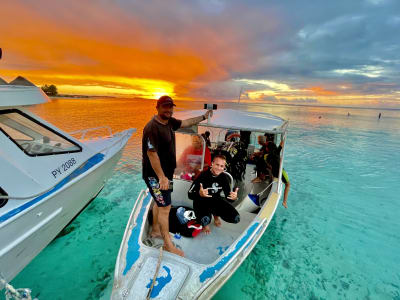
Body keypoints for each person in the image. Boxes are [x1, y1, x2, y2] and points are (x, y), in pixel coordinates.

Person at [142, 95, 213, 256]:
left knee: (159, 202)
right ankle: (168, 245)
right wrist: (161, 177)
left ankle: (155, 230)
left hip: (166, 175)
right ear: (157, 107)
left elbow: (186, 123)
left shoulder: (169, 122)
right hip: (156, 176)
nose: (169, 110)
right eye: (165, 107)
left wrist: (203, 116)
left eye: (171, 106)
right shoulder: (152, 128)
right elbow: (151, 154)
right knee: (166, 207)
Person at [188, 155, 240, 234]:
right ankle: (206, 223)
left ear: (224, 167)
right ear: (212, 164)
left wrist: (233, 198)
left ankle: (216, 215)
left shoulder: (223, 177)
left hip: (215, 201)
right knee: (205, 220)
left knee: (235, 218)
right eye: (217, 165)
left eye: (222, 166)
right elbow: (189, 194)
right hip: (201, 202)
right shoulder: (203, 175)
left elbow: (228, 197)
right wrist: (199, 194)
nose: (219, 168)